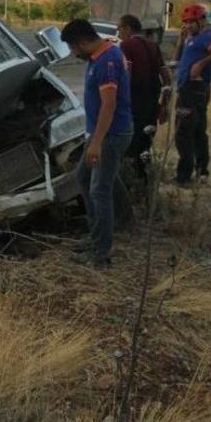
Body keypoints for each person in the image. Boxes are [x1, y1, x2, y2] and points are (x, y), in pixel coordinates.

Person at [61, 18, 133, 268]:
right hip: (101, 134)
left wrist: (96, 143)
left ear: (82, 42)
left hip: (111, 136)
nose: (73, 53)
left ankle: (101, 252)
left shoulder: (107, 61)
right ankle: (96, 238)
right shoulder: (100, 56)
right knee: (83, 178)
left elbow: (109, 105)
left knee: (99, 190)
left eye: (73, 48)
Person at [173, 3, 211, 186]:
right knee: (197, 131)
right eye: (186, 22)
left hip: (192, 90)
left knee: (183, 132)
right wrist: (181, 42)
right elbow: (176, 60)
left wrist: (201, 64)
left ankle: (184, 176)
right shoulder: (191, 39)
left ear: (202, 21)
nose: (188, 25)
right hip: (191, 89)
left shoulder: (206, 36)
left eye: (191, 22)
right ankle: (201, 170)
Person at [116, 14, 171, 170]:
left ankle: (133, 182)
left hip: (135, 102)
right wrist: (164, 105)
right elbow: (166, 77)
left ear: (127, 28)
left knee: (131, 145)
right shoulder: (153, 46)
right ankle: (145, 179)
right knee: (146, 144)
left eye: (119, 28)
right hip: (153, 101)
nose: (118, 32)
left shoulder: (126, 46)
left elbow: (127, 75)